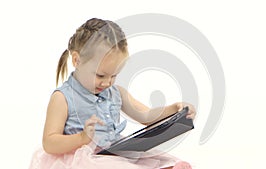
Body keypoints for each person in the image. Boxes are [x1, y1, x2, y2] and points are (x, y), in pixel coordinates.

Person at [29, 18, 196, 169]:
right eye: (100, 75)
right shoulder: (62, 97)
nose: (107, 82)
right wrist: (81, 138)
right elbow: (49, 143)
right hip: (83, 161)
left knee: (165, 163)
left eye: (114, 76)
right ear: (76, 60)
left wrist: (175, 109)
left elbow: (146, 116)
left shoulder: (116, 93)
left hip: (114, 154)